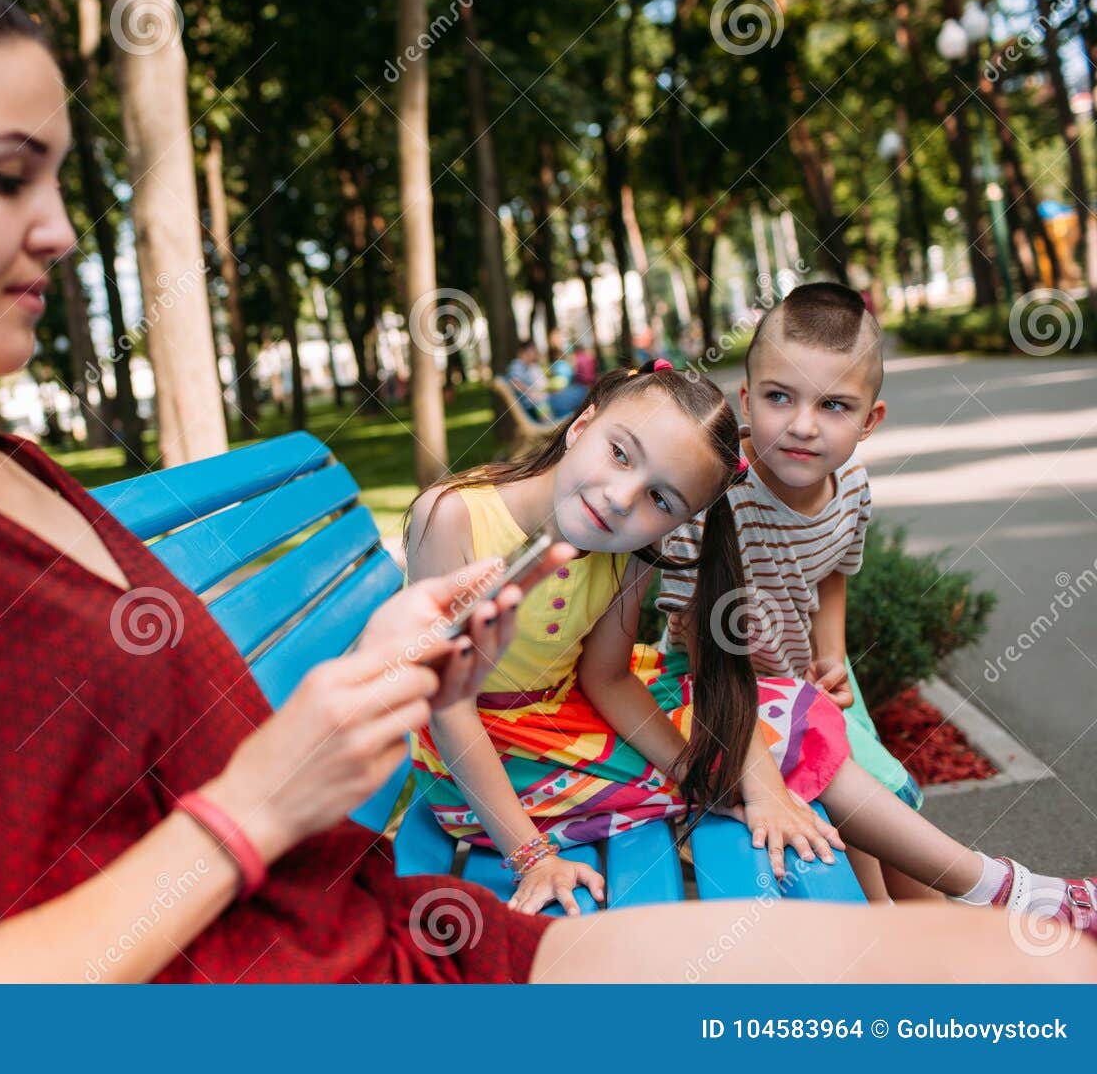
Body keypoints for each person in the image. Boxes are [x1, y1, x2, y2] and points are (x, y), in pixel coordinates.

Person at [0, 0, 1093, 983]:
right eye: (7, 176)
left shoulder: (12, 469)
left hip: (382, 936)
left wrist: (380, 693)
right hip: (329, 981)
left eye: (61, 173)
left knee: (1023, 975)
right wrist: (255, 804)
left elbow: (185, 776)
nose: (59, 228)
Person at [404, 361, 1097, 938]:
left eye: (659, 499)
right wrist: (531, 855)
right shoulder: (458, 516)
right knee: (783, 746)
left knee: (787, 704)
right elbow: (447, 705)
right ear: (582, 423)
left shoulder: (628, 553)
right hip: (483, 761)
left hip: (563, 719)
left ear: (678, 522)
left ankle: (1000, 889)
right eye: (619, 452)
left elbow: (608, 678)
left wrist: (709, 775)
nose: (620, 498)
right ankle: (998, 897)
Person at [659, 282, 1096, 918]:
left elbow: (833, 569)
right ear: (746, 400)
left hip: (805, 674)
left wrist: (832, 654)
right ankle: (956, 918)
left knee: (886, 802)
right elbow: (697, 643)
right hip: (719, 691)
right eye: (780, 397)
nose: (803, 425)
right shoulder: (715, 497)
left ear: (870, 421)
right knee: (867, 800)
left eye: (834, 405)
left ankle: (935, 934)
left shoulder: (852, 487)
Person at [503, 340, 553, 424]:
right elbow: (515, 383)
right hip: (531, 406)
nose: (535, 353)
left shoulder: (525, 367)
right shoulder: (517, 364)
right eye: (533, 350)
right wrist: (533, 393)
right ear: (524, 352)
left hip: (535, 404)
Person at [544, 329, 588, 420]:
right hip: (560, 398)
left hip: (565, 394)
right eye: (560, 338)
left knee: (583, 391)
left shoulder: (567, 357)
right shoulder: (559, 364)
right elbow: (557, 384)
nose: (563, 340)